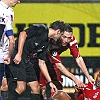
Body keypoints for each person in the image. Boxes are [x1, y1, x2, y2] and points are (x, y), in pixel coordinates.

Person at [8, 20, 66, 100]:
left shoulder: (45, 43)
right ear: (58, 31)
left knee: (36, 88)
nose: (60, 38)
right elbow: (22, 34)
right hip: (17, 57)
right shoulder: (41, 29)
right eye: (61, 35)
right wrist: (19, 53)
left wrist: (50, 82)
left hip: (26, 60)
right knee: (21, 87)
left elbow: (41, 63)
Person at [39, 23, 94, 99]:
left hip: (52, 62)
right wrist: (75, 80)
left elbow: (78, 58)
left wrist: (88, 77)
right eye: (64, 37)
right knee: (41, 88)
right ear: (60, 33)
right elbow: (59, 65)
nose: (66, 40)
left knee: (58, 85)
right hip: (40, 61)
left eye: (69, 37)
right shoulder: (52, 42)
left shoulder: (71, 40)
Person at [0, 0, 20, 100]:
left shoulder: (10, 12)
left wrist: (8, 53)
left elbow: (10, 38)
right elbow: (11, 39)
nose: (19, 2)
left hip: (4, 52)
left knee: (5, 85)